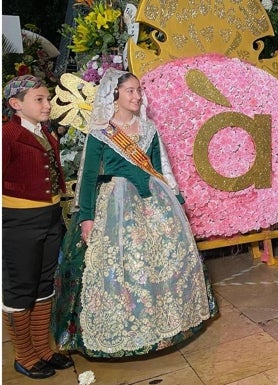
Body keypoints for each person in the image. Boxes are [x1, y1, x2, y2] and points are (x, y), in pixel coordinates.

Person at [53, 69, 219, 357]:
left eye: (139, 90)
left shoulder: (149, 129)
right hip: (115, 207)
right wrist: (88, 217)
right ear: (114, 94)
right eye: (130, 90)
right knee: (120, 267)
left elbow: (161, 167)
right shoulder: (100, 133)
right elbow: (88, 177)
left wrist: (176, 199)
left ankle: (168, 323)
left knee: (162, 260)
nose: (137, 95)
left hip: (154, 202)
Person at [2, 75, 74, 379]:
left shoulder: (44, 132)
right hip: (19, 222)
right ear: (16, 105)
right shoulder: (7, 135)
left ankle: (43, 348)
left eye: (48, 98)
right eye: (40, 100)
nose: (47, 104)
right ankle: (24, 354)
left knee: (44, 285)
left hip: (49, 217)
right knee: (21, 287)